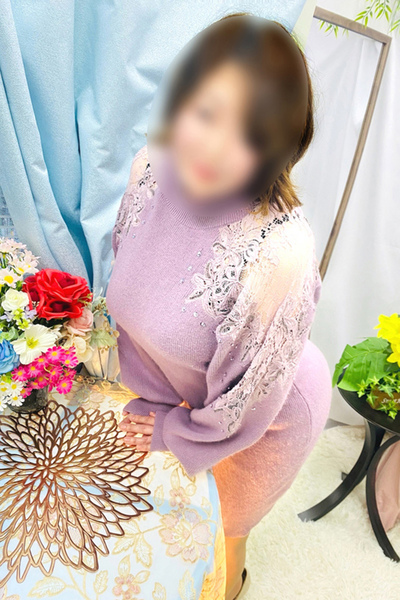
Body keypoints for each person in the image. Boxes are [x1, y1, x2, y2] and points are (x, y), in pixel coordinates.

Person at [106, 12, 332, 600]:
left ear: (277, 146)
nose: (213, 148)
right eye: (206, 114)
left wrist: (177, 430)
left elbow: (247, 402)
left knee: (223, 536)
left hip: (268, 411)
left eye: (249, 135)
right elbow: (139, 301)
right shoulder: (150, 168)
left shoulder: (280, 253)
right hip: (197, 378)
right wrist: (155, 406)